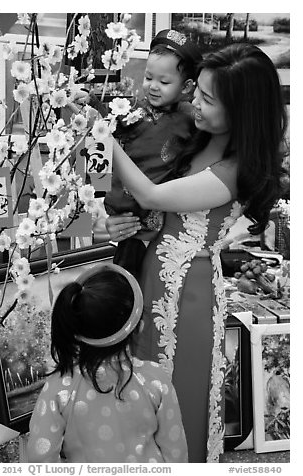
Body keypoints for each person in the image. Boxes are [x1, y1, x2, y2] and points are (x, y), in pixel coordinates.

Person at [105, 43, 288, 462]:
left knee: (178, 387)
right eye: (197, 92)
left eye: (208, 99)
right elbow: (158, 212)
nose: (194, 103)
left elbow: (151, 194)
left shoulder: (236, 169)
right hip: (153, 272)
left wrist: (104, 135)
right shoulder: (194, 134)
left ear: (242, 111)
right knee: (142, 379)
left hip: (190, 289)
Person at [27, 262, 188, 463]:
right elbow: (176, 453)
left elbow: (39, 457)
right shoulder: (155, 379)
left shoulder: (59, 387)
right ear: (139, 327)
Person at [104, 29, 202, 279]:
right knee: (125, 278)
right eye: (148, 77)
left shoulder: (190, 117)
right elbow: (101, 122)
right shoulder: (130, 110)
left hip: (160, 219)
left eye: (165, 82)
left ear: (187, 86)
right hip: (123, 214)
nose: (153, 87)